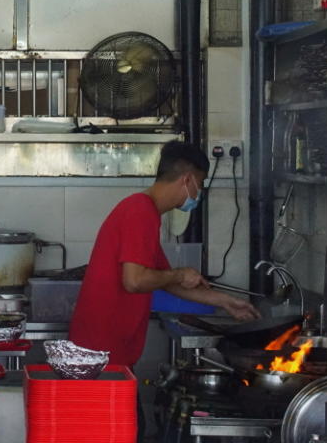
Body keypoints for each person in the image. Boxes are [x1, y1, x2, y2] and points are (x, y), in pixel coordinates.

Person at [68, 140, 260, 437]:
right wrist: (179, 274)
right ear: (187, 180)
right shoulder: (139, 211)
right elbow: (135, 281)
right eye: (200, 184)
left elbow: (167, 282)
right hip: (102, 359)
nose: (198, 194)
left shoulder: (145, 213)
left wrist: (225, 301)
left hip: (110, 356)